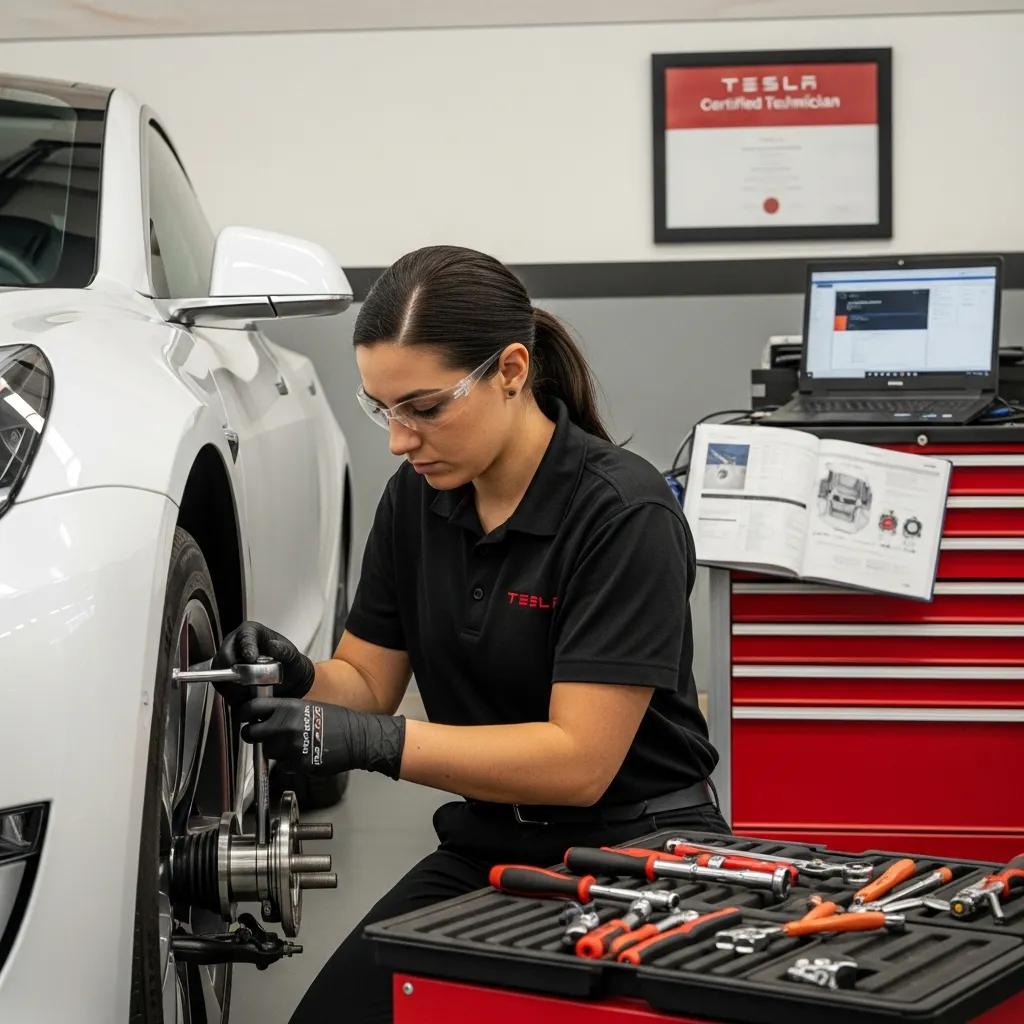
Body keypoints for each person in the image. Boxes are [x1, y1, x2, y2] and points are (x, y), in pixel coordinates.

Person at [214, 244, 727, 1023]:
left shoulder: (624, 514)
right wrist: (303, 680)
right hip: (489, 847)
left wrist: (372, 744)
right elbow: (368, 684)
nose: (398, 439)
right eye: (381, 410)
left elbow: (578, 762)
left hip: (638, 849)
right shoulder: (416, 500)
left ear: (512, 371)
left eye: (424, 408)